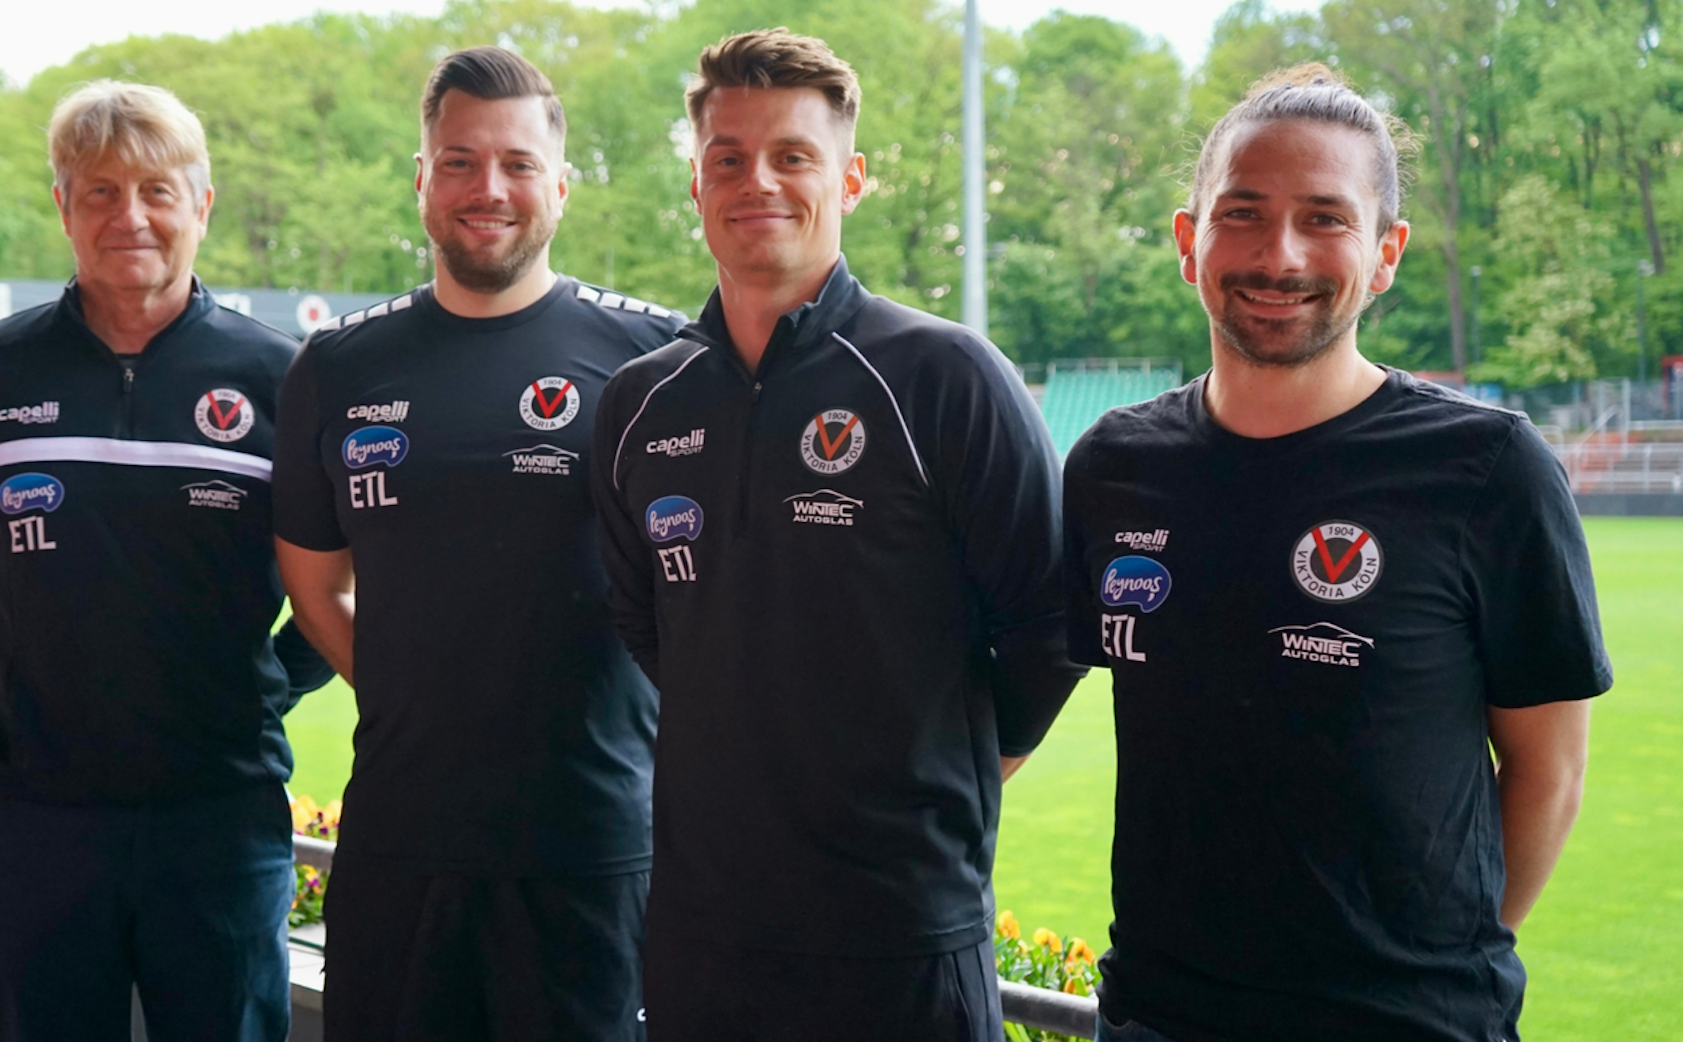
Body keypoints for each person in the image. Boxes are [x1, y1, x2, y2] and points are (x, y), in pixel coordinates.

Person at [1059, 64, 1612, 1042]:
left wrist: (1418, 971)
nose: (1280, 254)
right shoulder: (1112, 465)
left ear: (1385, 251)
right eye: (1242, 213)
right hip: (1158, 1016)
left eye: (1324, 217)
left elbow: (1548, 772)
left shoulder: (1486, 468)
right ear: (1189, 242)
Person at [590, 29, 1082, 1041]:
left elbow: (1046, 626)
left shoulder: (943, 377)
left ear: (849, 179)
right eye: (727, 157)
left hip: (898, 932)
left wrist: (939, 776)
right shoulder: (639, 402)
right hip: (702, 933)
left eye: (792, 156)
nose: (756, 180)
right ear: (695, 185)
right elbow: (650, 624)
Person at [273, 47, 682, 1042]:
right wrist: (412, 686)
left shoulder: (657, 359)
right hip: (402, 846)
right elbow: (313, 583)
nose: (486, 188)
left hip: (593, 846)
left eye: (516, 164)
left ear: (561, 186)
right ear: (420, 178)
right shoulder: (336, 367)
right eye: (457, 161)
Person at [0, 80, 330, 1041]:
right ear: (62, 207)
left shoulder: (286, 379)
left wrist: (265, 687)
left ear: (202, 204)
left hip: (220, 819)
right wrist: (21, 704)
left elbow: (344, 581)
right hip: (34, 822)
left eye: (155, 189)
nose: (129, 216)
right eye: (98, 191)